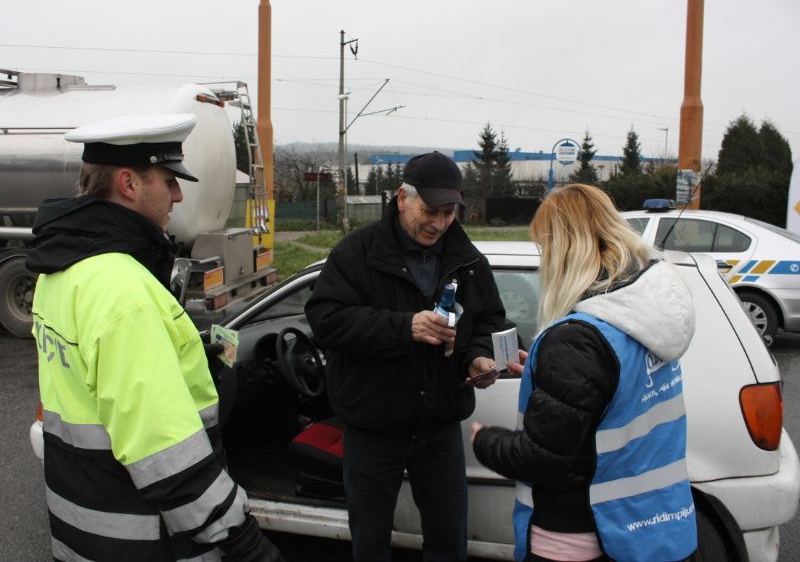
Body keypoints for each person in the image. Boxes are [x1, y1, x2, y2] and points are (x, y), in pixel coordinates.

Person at [26, 114, 282, 562]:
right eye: (169, 180)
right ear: (129, 183)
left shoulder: (60, 270)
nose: (178, 195)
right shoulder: (126, 291)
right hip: (145, 539)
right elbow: (167, 456)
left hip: (83, 528)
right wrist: (243, 541)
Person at [471, 184, 698, 562]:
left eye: (546, 248)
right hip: (660, 528)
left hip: (584, 536)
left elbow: (542, 458)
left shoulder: (578, 340)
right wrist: (552, 374)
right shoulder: (641, 318)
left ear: (564, 248)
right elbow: (614, 390)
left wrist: (485, 441)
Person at [304, 151, 506, 562]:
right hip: (373, 428)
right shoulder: (356, 255)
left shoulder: (467, 262)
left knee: (448, 539)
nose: (440, 222)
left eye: (450, 212)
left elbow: (485, 324)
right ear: (401, 198)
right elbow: (327, 320)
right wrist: (404, 327)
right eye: (431, 210)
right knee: (372, 540)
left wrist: (478, 359)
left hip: (439, 427)